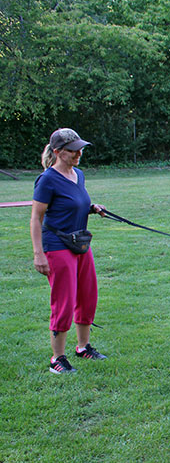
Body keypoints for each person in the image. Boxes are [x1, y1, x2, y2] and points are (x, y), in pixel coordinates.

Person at [30, 128, 108, 375]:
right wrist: (38, 253)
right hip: (57, 246)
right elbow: (36, 218)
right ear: (57, 152)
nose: (79, 154)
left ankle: (83, 347)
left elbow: (73, 204)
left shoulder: (79, 175)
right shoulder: (47, 179)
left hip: (80, 243)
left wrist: (92, 207)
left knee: (88, 295)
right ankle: (57, 358)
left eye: (80, 148)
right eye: (73, 150)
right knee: (64, 301)